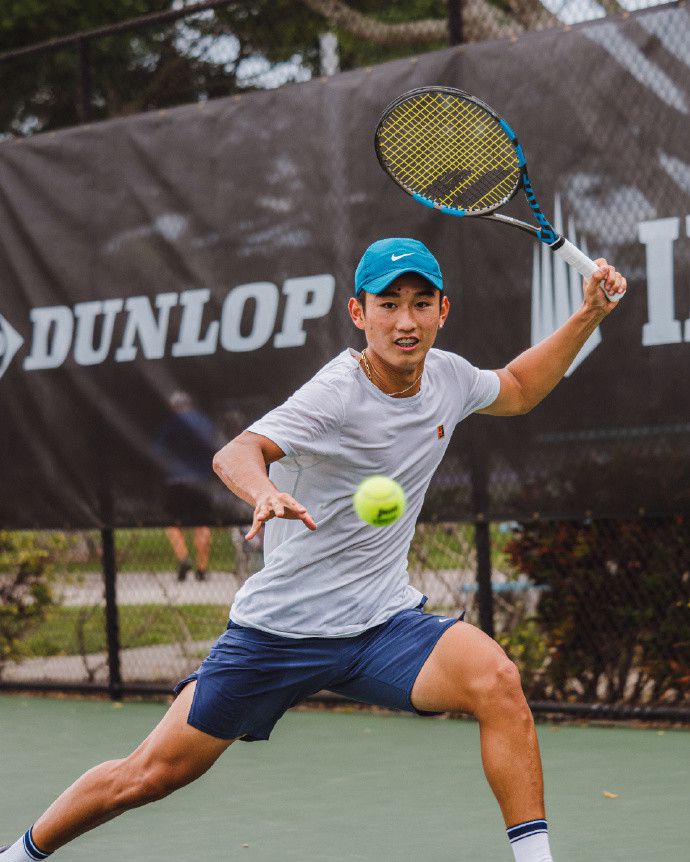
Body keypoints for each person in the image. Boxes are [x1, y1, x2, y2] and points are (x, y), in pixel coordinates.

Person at [1, 237, 626, 862]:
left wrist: (588, 314)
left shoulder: (450, 378)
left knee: (497, 680)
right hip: (279, 635)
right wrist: (264, 492)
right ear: (359, 313)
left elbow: (516, 386)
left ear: (443, 310)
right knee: (149, 775)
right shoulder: (336, 393)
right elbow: (235, 452)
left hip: (382, 625)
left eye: (420, 303)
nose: (405, 321)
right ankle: (22, 854)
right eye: (388, 304)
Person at [154, 391, 219, 581]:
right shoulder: (204, 422)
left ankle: (183, 558)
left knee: (172, 524)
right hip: (202, 481)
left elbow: (158, 450)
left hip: (176, 481)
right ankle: (201, 569)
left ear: (174, 406)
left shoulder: (171, 424)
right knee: (202, 524)